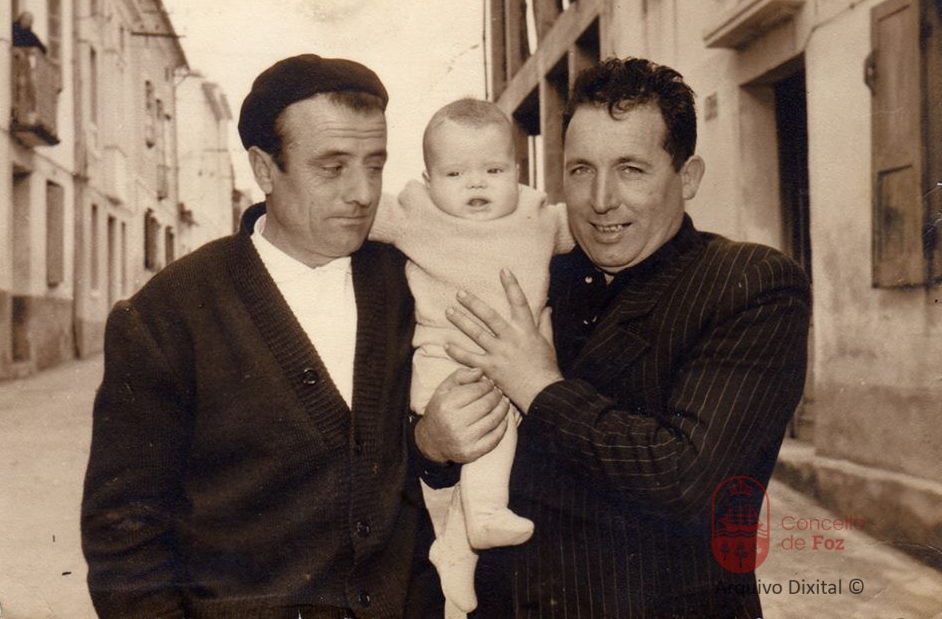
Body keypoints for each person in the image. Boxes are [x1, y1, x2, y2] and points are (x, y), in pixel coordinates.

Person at [80, 54, 505, 619]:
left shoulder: (410, 282)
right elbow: (124, 537)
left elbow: (398, 469)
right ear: (264, 169)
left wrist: (428, 446)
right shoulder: (167, 316)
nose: (362, 193)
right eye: (333, 167)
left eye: (374, 165)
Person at [444, 57, 812, 618]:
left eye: (631, 169)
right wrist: (433, 445)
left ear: (687, 177)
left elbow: (691, 483)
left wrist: (540, 388)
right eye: (581, 170)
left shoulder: (749, 282)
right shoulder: (538, 272)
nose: (601, 199)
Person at [369, 98, 574, 612]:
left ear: (518, 172)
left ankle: (458, 549)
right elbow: (354, 212)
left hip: (521, 364)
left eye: (493, 170)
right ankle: (475, 523)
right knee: (485, 431)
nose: (476, 183)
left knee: (500, 433)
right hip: (448, 359)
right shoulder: (417, 213)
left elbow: (590, 224)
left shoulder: (538, 217)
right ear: (428, 179)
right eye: (455, 173)